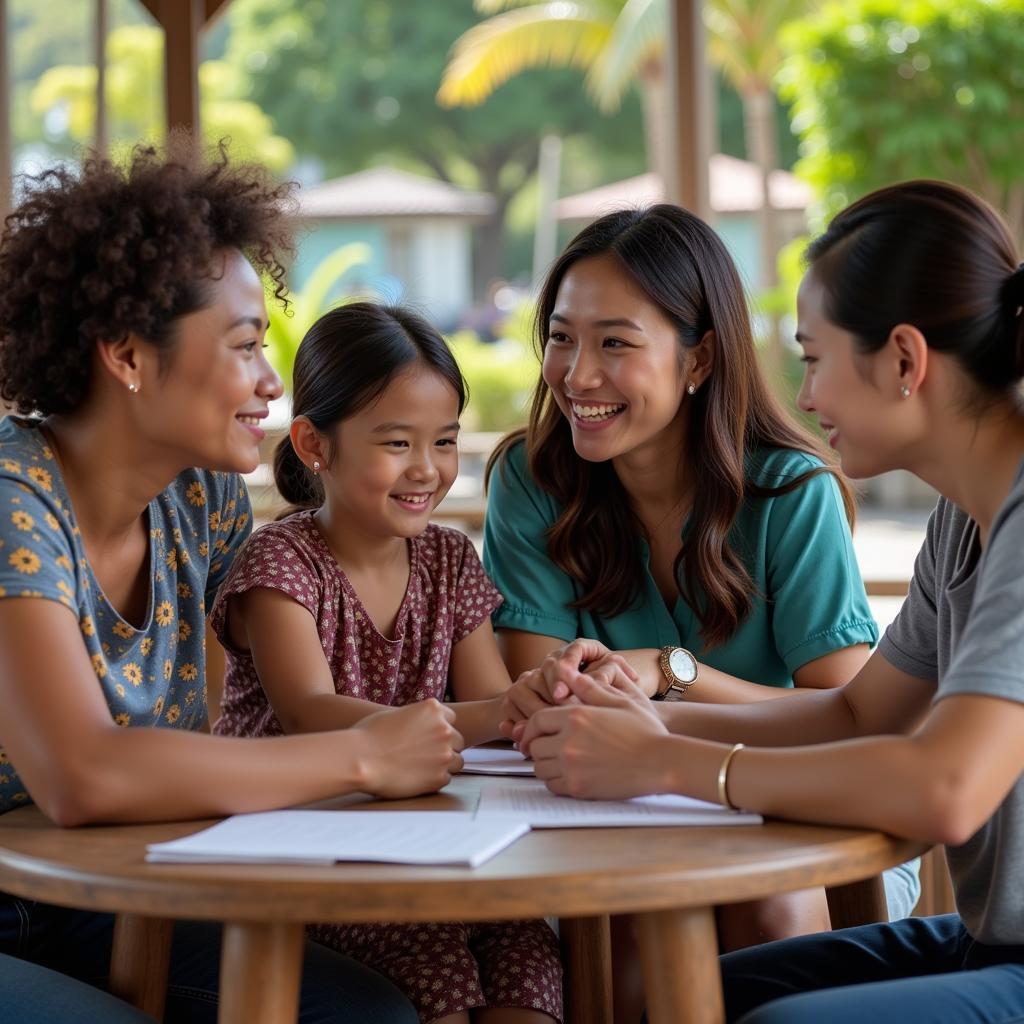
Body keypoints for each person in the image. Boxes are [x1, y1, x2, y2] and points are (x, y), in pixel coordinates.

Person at [518, 179, 1024, 1024]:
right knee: (705, 999)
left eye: (816, 358)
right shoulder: (962, 523)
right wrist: (641, 727)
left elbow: (946, 789)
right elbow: (861, 711)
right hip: (992, 943)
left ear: (905, 361)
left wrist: (668, 764)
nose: (808, 395)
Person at [0, 141, 464, 1024]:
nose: (271, 380)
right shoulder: (12, 495)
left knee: (375, 1013)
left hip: (117, 891)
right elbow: (81, 775)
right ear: (129, 356)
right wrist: (366, 755)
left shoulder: (201, 497)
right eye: (247, 345)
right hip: (14, 907)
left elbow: (224, 734)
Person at [482, 204, 918, 966]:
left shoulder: (789, 492)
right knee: (614, 934)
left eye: (615, 342)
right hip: (615, 819)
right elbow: (544, 701)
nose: (576, 375)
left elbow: (852, 716)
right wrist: (549, 696)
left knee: (767, 913)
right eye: (560, 337)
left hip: (800, 817)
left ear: (699, 360)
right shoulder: (533, 479)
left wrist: (671, 675)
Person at [210, 302, 562, 1024]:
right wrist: (497, 712)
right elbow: (312, 714)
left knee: (530, 955)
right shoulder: (279, 562)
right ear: (314, 443)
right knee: (431, 965)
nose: (426, 470)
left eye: (444, 442)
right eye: (397, 443)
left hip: (432, 846)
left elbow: (493, 710)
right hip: (305, 856)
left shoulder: (449, 559)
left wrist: (544, 697)